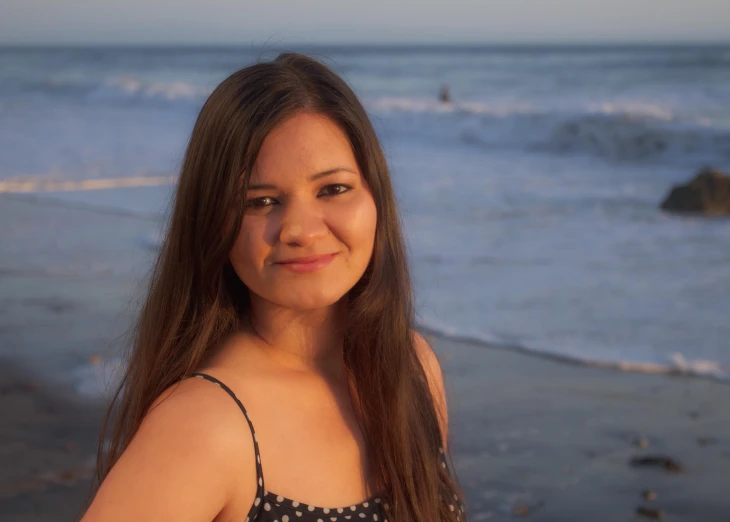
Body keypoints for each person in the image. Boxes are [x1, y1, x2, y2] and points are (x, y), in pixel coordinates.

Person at [79, 52, 467, 522]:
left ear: (376, 196)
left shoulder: (413, 368)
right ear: (212, 225)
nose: (300, 229)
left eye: (333, 189)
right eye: (261, 201)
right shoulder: (204, 424)